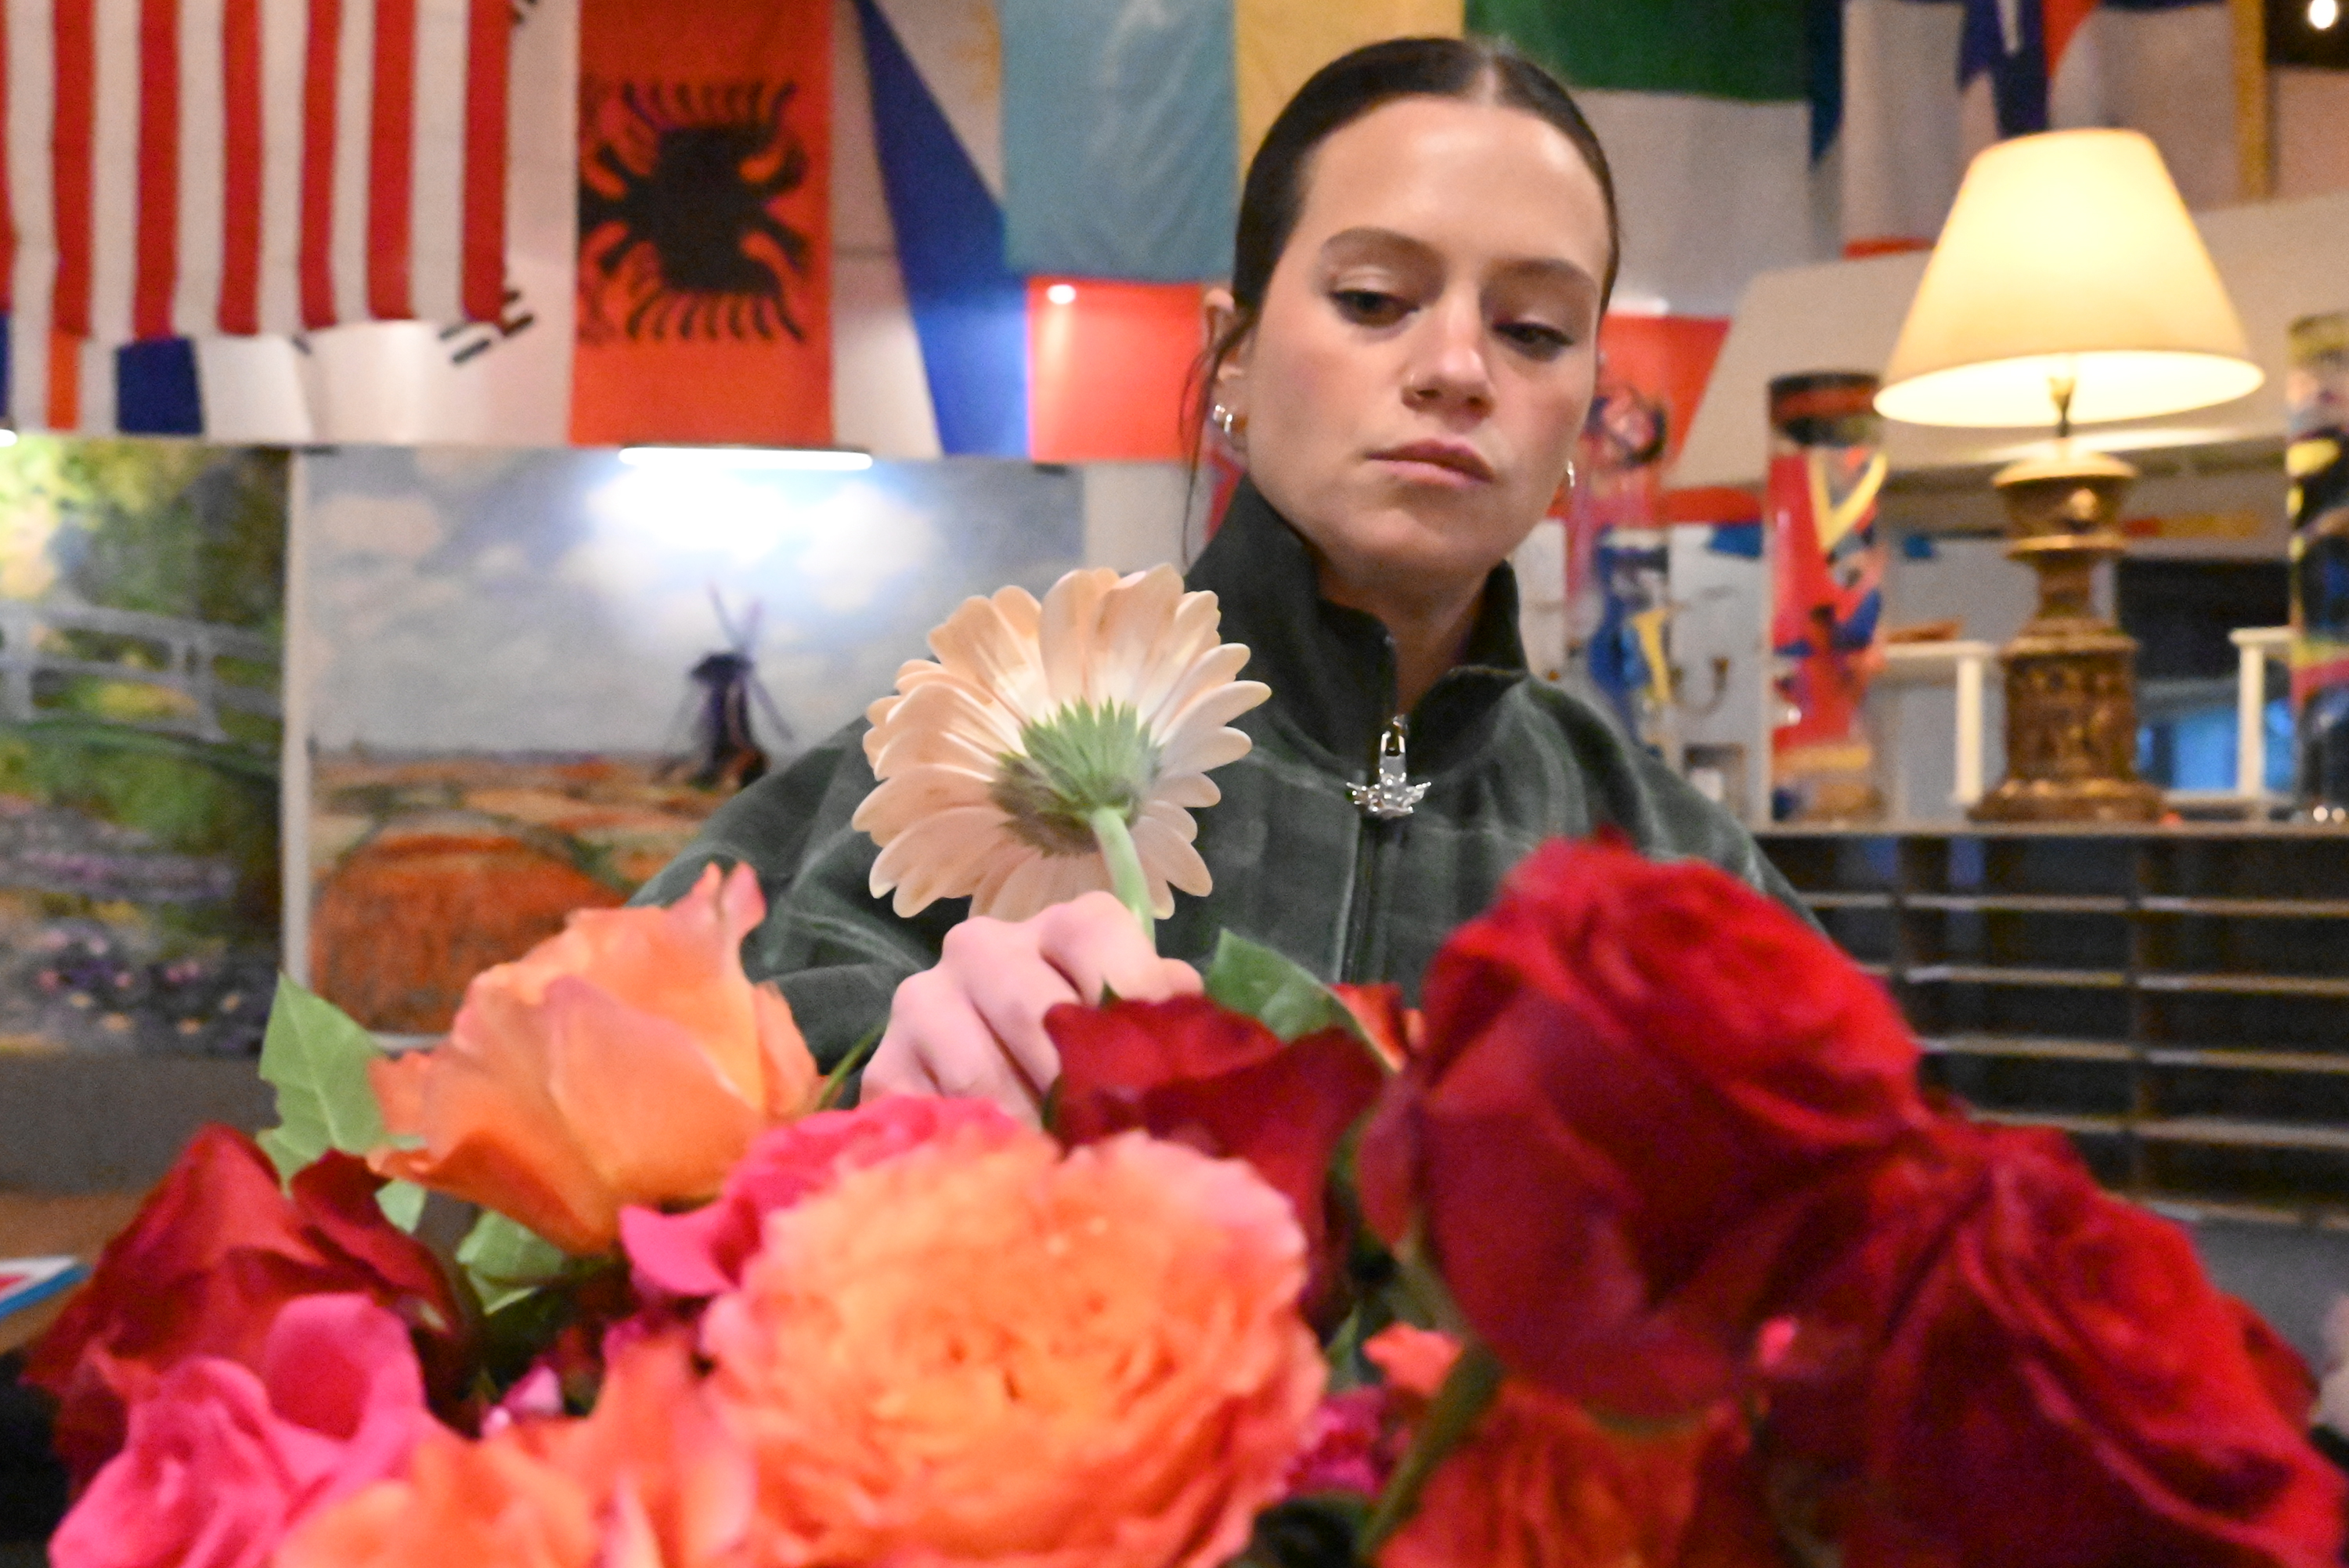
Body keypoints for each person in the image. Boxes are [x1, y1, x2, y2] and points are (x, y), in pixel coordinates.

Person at [635, 36, 1801, 1120]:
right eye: (1374, 301)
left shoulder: (1671, 863)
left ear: (1584, 414)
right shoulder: (982, 744)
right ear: (1232, 359)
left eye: (1535, 329)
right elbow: (605, 1094)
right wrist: (869, 1076)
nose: (1456, 368)